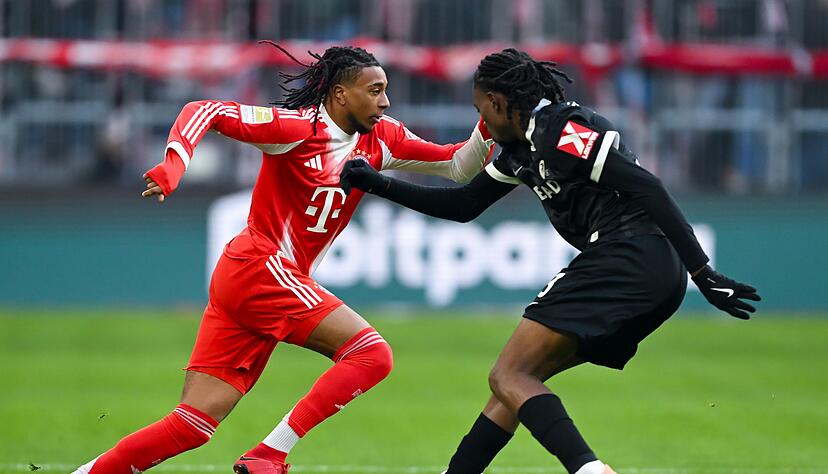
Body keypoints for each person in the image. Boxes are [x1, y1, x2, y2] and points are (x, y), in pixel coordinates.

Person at [71, 44, 493, 474]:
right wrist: (174, 165)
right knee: (371, 355)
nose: (385, 101)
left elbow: (459, 166)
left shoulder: (382, 137)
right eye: (375, 90)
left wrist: (491, 120)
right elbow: (204, 110)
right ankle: (269, 454)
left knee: (192, 426)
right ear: (340, 94)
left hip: (254, 281)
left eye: (385, 91)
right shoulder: (296, 128)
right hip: (261, 267)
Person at [339, 48, 761, 474]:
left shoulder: (562, 128)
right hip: (644, 267)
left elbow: (647, 186)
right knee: (514, 385)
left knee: (508, 375)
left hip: (629, 254)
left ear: (499, 103)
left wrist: (702, 271)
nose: (481, 124)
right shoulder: (519, 150)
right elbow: (465, 204)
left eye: (481, 110)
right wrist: (378, 185)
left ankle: (590, 470)